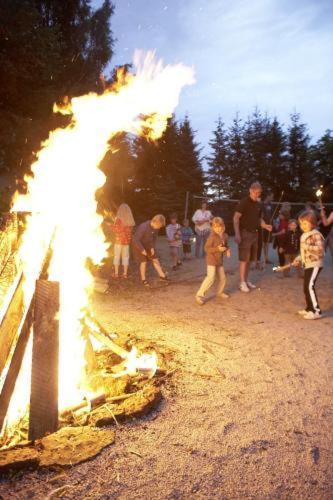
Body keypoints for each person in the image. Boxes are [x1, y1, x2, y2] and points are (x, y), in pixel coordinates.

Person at [233, 182, 272, 293]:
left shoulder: (258, 204)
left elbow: (259, 219)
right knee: (244, 259)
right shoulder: (244, 202)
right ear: (250, 190)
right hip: (245, 233)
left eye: (259, 193)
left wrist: (265, 226)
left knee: (250, 259)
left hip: (255, 234)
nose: (257, 195)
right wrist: (237, 233)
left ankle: (245, 280)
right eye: (255, 192)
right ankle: (241, 283)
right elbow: (236, 218)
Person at [292, 211, 325, 320]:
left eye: (306, 223)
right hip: (308, 264)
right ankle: (309, 308)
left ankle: (316, 311)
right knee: (306, 287)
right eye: (301, 224)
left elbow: (320, 250)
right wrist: (298, 259)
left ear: (313, 223)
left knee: (309, 286)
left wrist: (307, 247)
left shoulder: (316, 234)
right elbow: (303, 252)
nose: (303, 226)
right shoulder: (304, 235)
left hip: (315, 264)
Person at [195, 217, 231, 305]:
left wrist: (227, 250)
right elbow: (206, 248)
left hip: (219, 261)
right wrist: (217, 249)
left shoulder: (225, 236)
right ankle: (199, 295)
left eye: (219, 226)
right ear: (213, 228)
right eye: (215, 227)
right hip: (211, 260)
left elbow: (226, 245)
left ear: (223, 226)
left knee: (222, 278)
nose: (218, 229)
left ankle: (219, 292)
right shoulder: (212, 237)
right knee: (210, 277)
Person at [132, 214, 168, 287]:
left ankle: (162, 276)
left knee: (155, 259)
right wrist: (142, 250)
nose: (159, 228)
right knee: (143, 262)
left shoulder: (156, 228)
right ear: (156, 222)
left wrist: (152, 247)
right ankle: (143, 280)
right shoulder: (144, 227)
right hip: (138, 245)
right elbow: (135, 240)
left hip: (148, 245)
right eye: (159, 226)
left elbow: (153, 239)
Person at [110, 203, 135, 279]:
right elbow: (129, 232)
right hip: (126, 242)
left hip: (118, 241)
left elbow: (116, 230)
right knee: (126, 257)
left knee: (116, 257)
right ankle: (125, 274)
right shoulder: (130, 220)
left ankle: (116, 274)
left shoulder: (118, 219)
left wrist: (110, 225)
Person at [262, 191, 274, 264]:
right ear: (268, 196)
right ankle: (261, 259)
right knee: (262, 242)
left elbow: (272, 214)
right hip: (263, 226)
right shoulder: (261, 204)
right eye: (271, 196)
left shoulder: (271, 205)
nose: (272, 198)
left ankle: (266, 258)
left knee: (267, 242)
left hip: (269, 226)